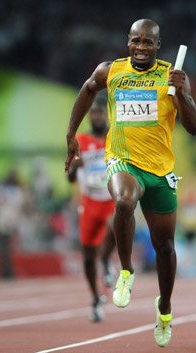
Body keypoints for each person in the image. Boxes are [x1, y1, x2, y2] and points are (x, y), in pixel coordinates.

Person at [65, 19, 196, 347]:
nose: (141, 47)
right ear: (128, 42)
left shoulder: (171, 77)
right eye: (135, 41)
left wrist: (182, 94)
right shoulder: (111, 71)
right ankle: (125, 272)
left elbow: (193, 127)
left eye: (148, 42)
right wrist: (71, 135)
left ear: (158, 44)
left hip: (160, 171)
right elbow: (87, 90)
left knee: (164, 247)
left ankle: (164, 309)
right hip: (123, 160)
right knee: (124, 201)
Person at [67, 97, 116, 323]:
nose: (97, 116)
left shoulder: (114, 137)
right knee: (87, 258)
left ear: (106, 114)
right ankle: (96, 300)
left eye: (100, 112)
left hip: (111, 198)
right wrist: (74, 168)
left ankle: (106, 259)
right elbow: (70, 178)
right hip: (89, 202)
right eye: (93, 113)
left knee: (117, 224)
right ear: (89, 116)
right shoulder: (81, 141)